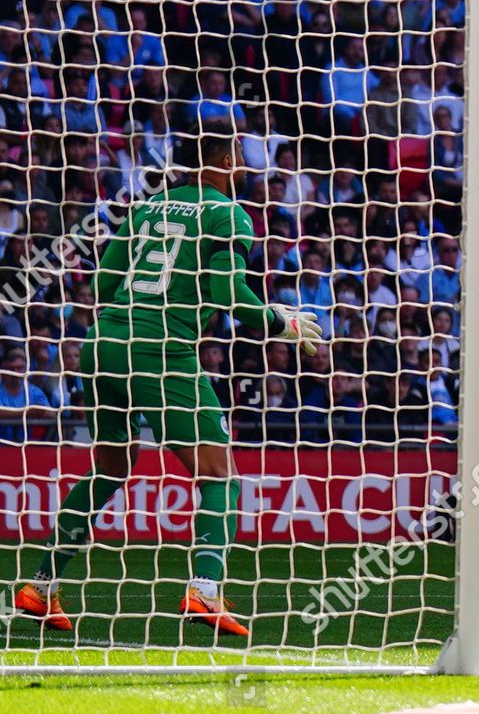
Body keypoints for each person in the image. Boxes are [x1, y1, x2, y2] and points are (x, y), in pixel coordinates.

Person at [13, 120, 324, 636]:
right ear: (227, 161)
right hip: (162, 351)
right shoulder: (229, 215)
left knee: (111, 466)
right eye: (241, 157)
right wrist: (280, 321)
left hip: (104, 343)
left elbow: (106, 280)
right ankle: (204, 590)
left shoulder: (146, 207)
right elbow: (229, 295)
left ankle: (41, 586)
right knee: (220, 476)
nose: (245, 166)